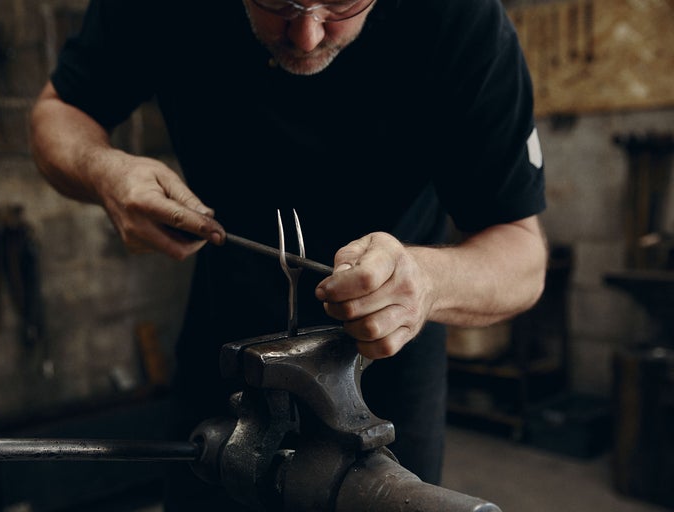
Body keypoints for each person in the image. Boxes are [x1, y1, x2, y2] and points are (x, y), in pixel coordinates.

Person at [29, 0, 549, 509]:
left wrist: (429, 281)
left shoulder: (461, 19)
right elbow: (58, 113)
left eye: (341, 6)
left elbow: (522, 255)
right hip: (226, 358)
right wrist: (102, 171)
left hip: (382, 369)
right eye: (279, 3)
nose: (308, 36)